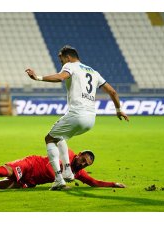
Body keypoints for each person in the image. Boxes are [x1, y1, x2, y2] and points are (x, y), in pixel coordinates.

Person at [25, 45, 129, 190]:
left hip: (77, 114)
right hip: (90, 120)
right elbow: (112, 92)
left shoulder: (70, 66)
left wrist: (38, 77)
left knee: (49, 139)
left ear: (67, 57)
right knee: (61, 138)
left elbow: (61, 77)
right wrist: (118, 110)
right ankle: (67, 170)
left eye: (61, 61)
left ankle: (59, 179)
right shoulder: (94, 72)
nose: (62, 64)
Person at [0, 148, 125, 190]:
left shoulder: (78, 172)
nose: (84, 164)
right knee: (3, 171)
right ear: (78, 155)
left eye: (87, 164)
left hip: (31, 181)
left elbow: (93, 182)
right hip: (30, 165)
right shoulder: (67, 154)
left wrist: (113, 184)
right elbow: (50, 167)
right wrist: (60, 180)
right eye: (84, 160)